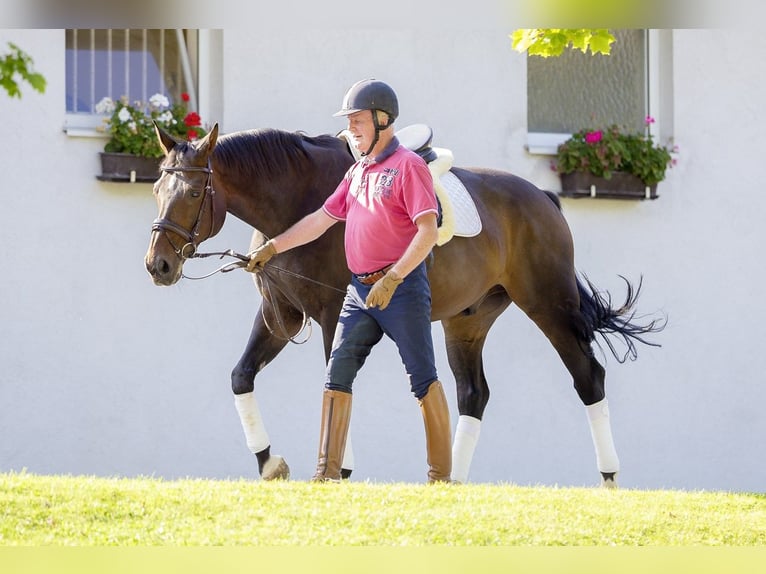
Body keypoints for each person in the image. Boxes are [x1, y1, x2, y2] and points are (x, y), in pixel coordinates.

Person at [246, 78, 452, 483]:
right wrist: (273, 247)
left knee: (422, 376)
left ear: (382, 119)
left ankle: (440, 478)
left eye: (358, 120)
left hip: (402, 290)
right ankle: (325, 474)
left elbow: (427, 231)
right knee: (336, 374)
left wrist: (392, 280)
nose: (351, 128)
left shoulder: (408, 167)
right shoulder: (357, 171)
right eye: (351, 121)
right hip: (359, 292)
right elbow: (322, 220)